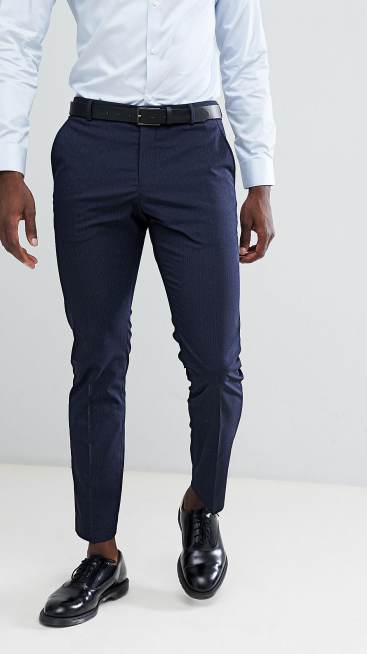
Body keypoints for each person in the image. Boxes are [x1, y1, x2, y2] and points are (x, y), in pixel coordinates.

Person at [0, 0, 275, 627]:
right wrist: (6, 166)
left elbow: (244, 52)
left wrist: (260, 178)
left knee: (217, 362)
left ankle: (201, 504)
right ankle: (101, 554)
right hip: (94, 149)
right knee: (97, 358)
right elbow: (15, 38)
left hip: (195, 151)